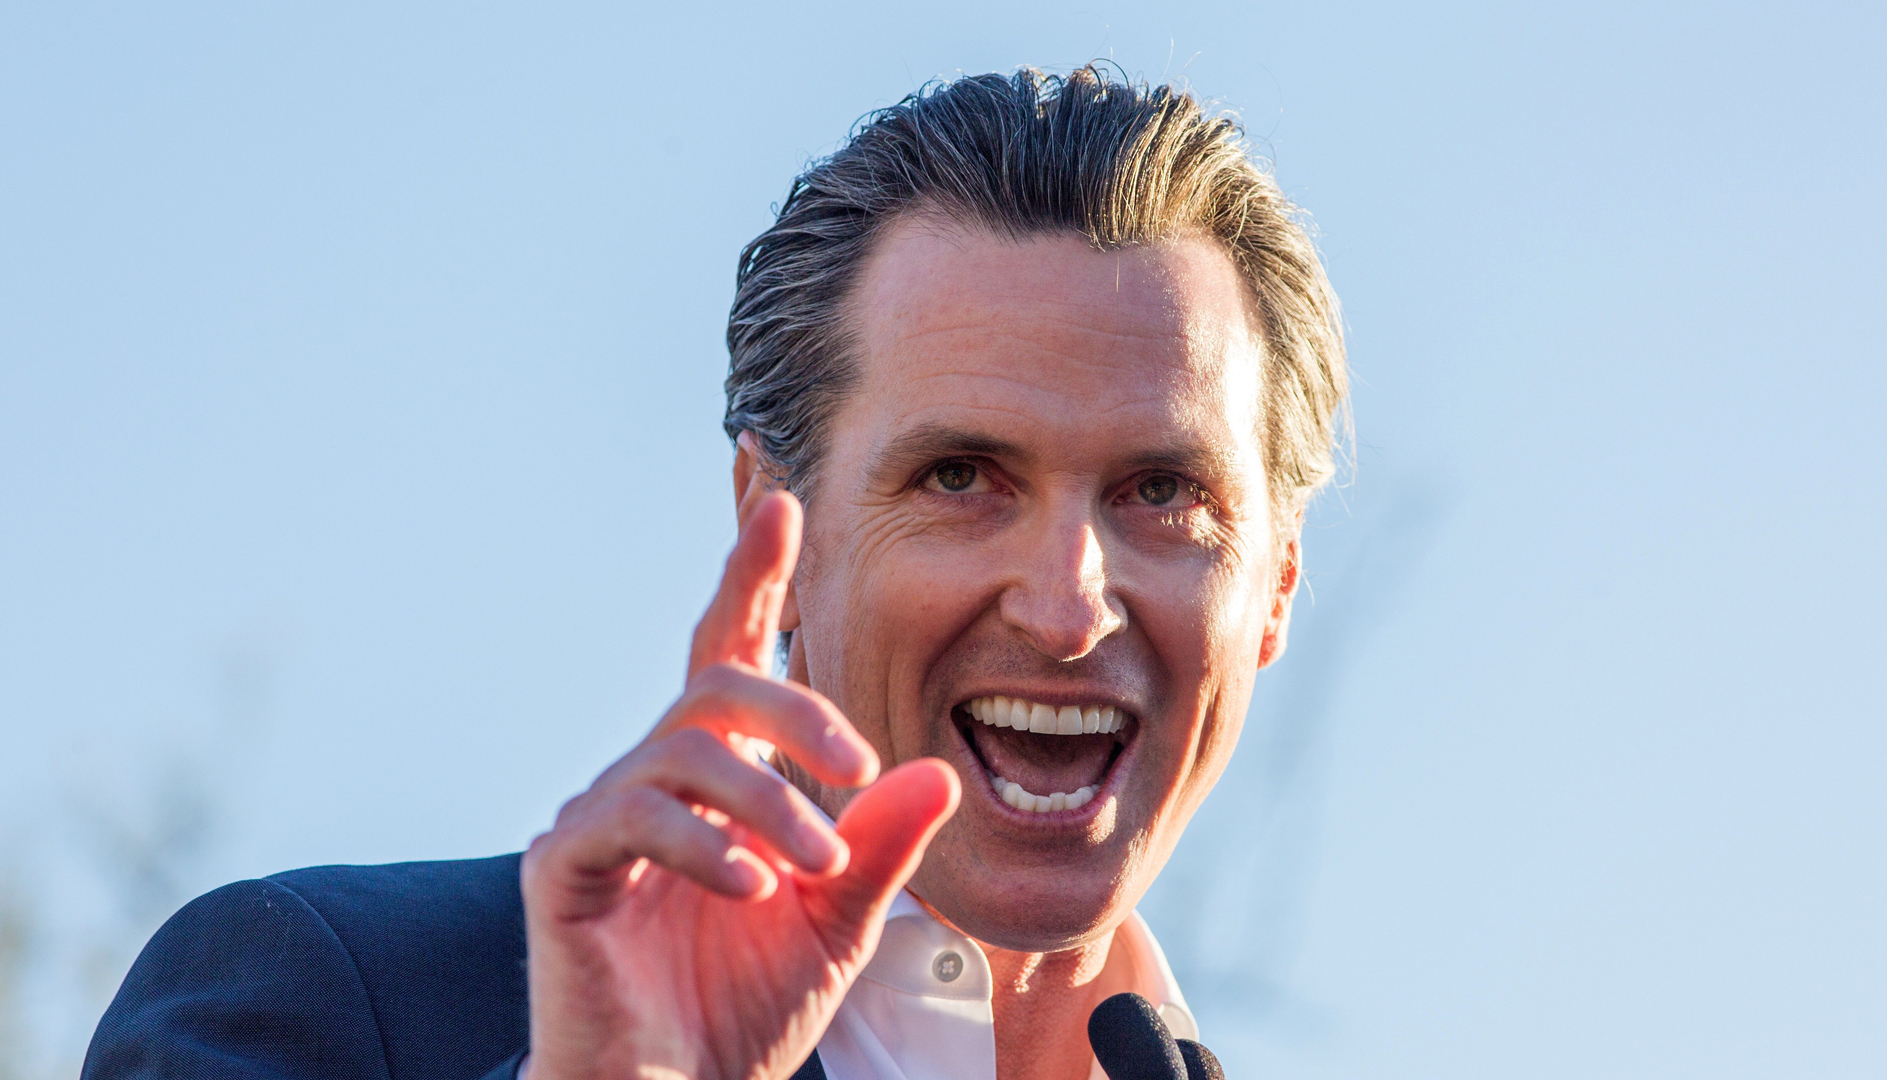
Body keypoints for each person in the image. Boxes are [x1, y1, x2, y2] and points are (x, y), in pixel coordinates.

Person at [82, 64, 1347, 1080]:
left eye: (1164, 492)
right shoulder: (326, 1005)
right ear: (773, 527)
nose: (1069, 607)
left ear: (1277, 584)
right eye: (961, 478)